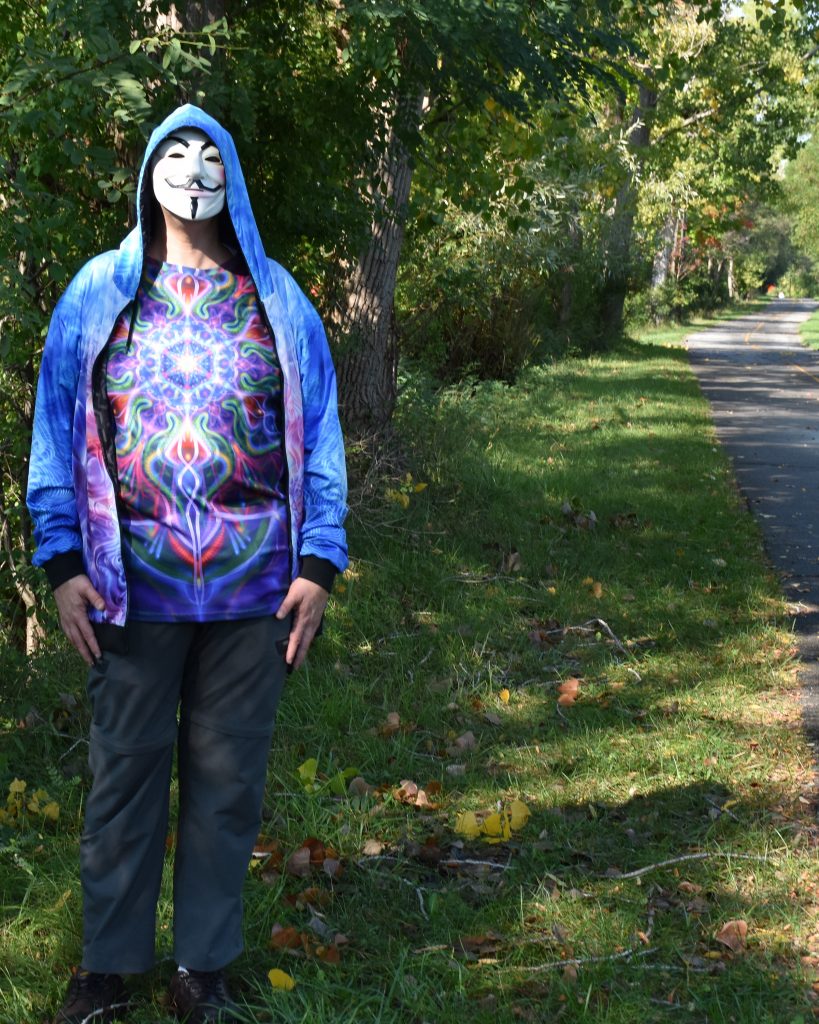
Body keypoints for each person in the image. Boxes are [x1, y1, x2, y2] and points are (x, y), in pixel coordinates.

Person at [26, 104, 348, 1024]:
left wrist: (319, 564)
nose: (195, 167)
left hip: (258, 586)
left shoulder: (276, 297)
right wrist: (58, 563)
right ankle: (105, 972)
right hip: (129, 586)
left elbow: (321, 433)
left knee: (227, 780)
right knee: (123, 770)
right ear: (147, 172)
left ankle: (201, 970)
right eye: (178, 151)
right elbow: (54, 430)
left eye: (212, 153)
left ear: (233, 174)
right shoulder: (98, 291)